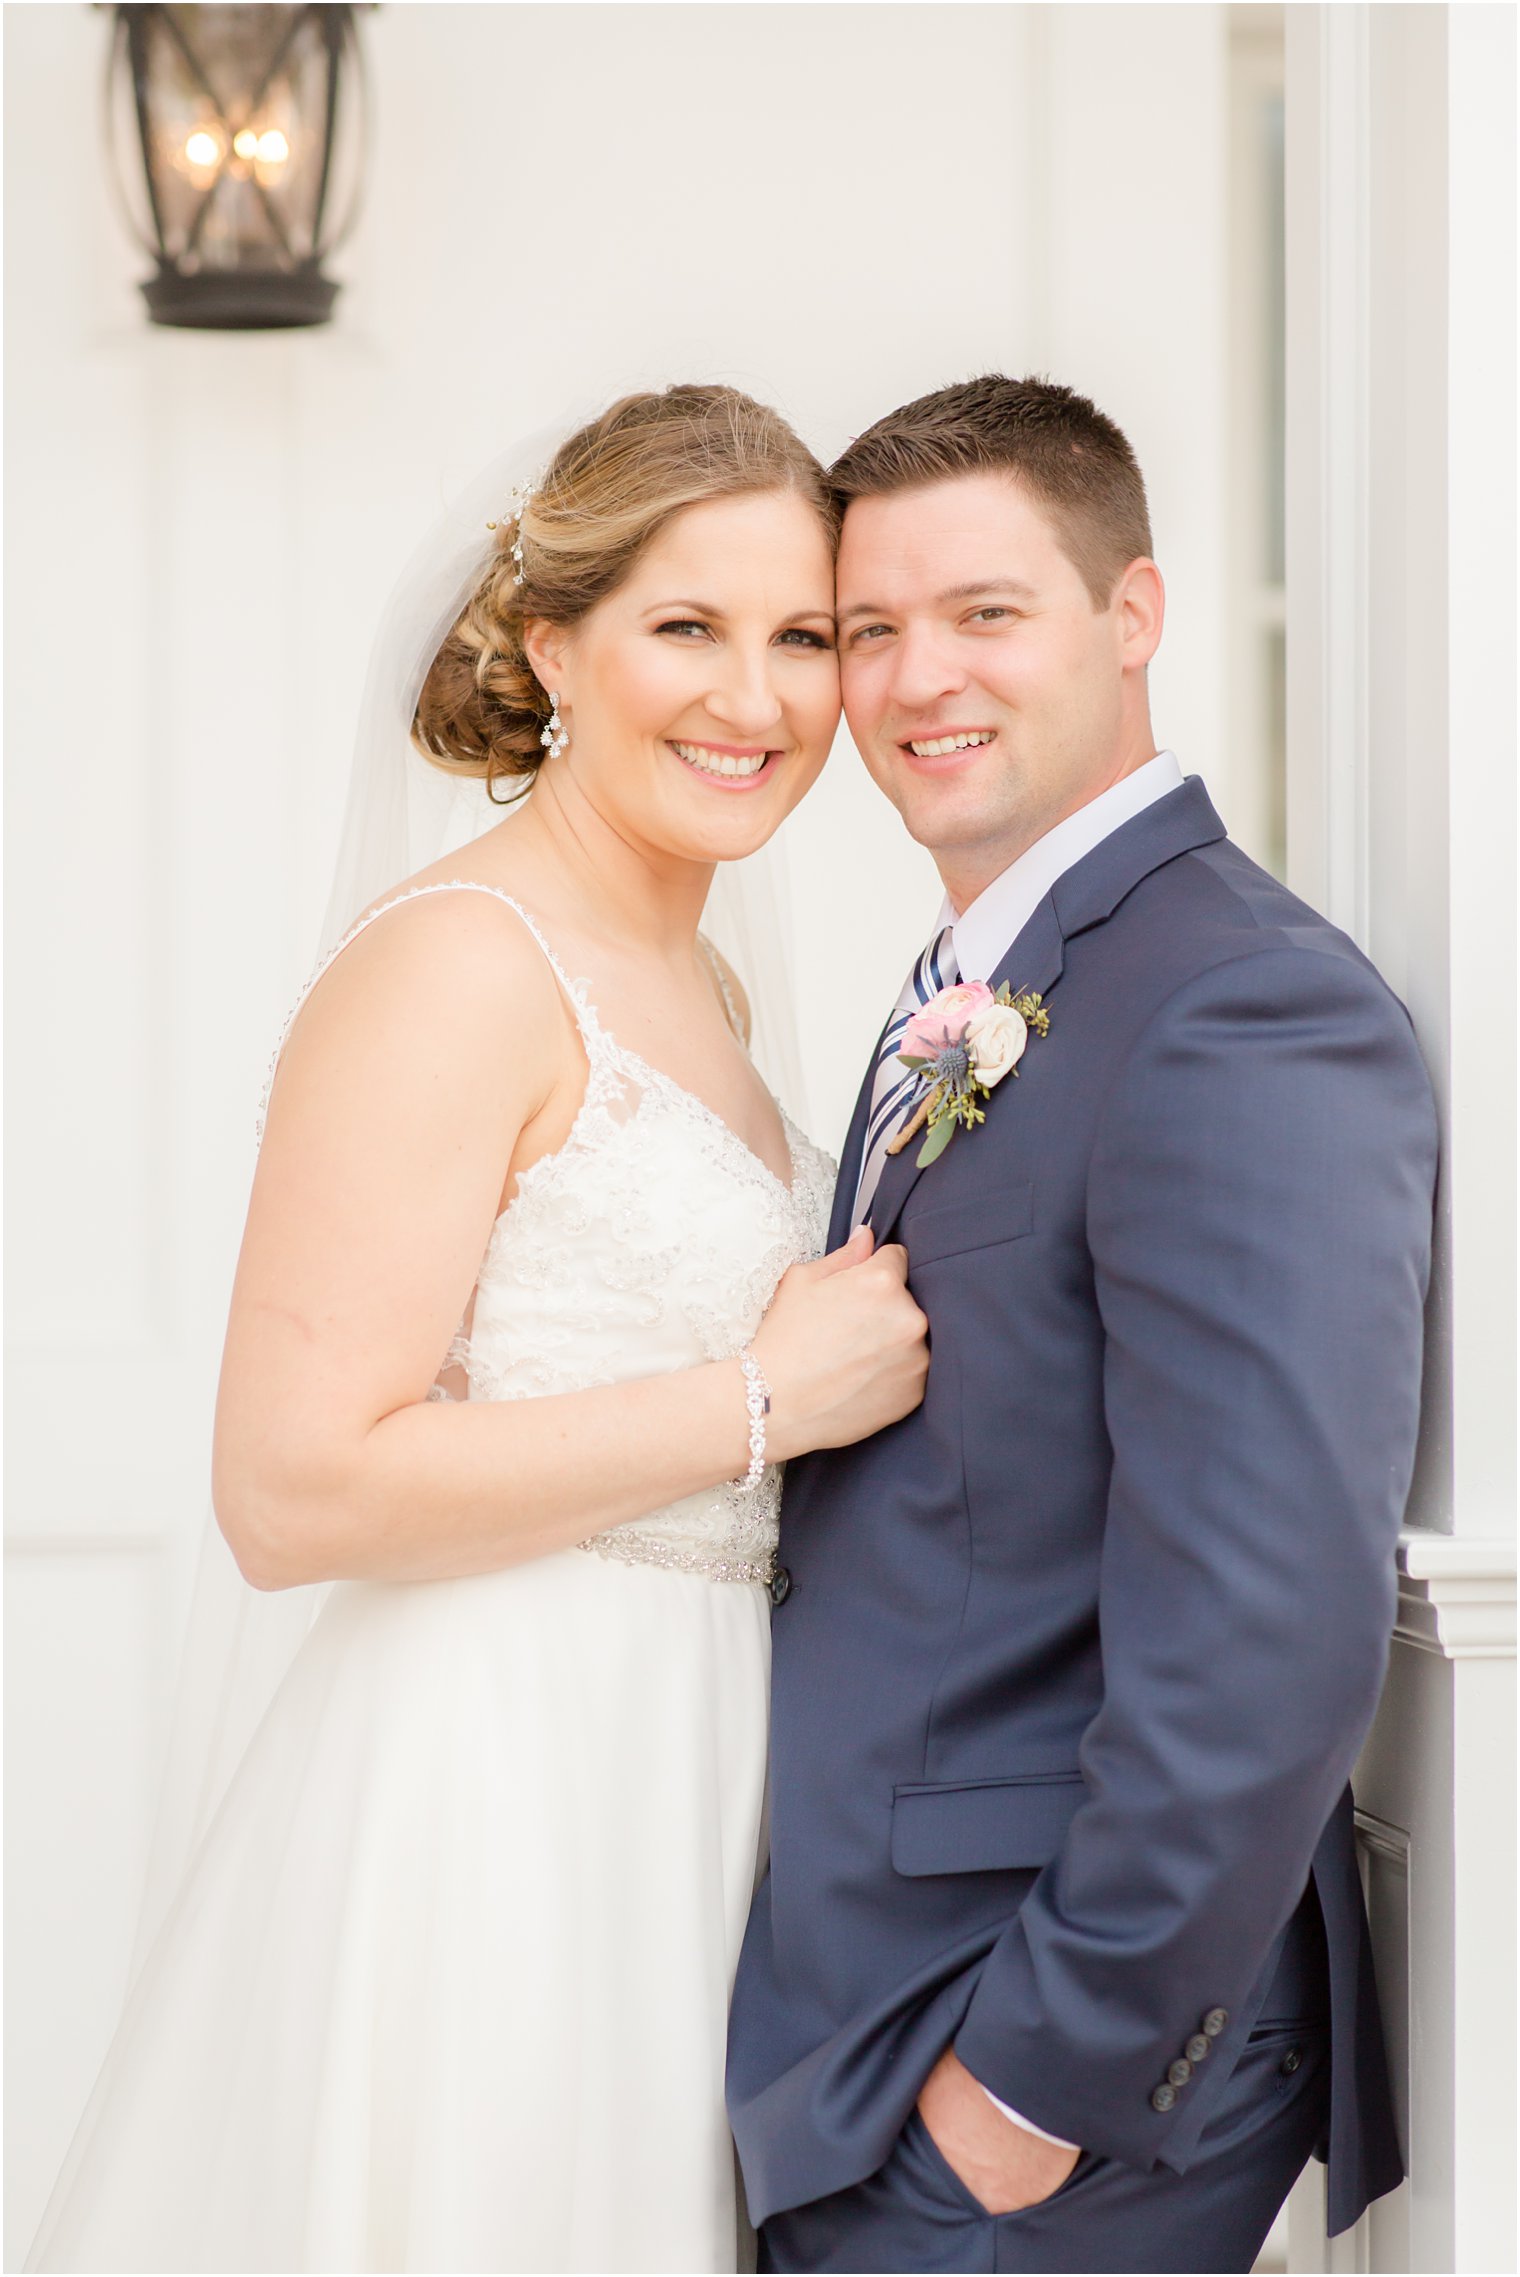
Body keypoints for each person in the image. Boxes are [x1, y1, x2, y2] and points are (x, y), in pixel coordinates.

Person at [27, 384, 929, 2275]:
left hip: (694, 1767)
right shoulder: (457, 964)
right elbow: (291, 1485)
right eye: (686, 627)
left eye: (801, 639)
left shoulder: (700, 976)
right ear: (552, 647)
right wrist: (762, 1395)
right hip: (505, 1786)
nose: (754, 701)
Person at [728, 374, 1439, 2274]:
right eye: (868, 629)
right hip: (872, 2005)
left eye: (985, 613)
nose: (911, 678)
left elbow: (1270, 1617)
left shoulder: (1238, 1007)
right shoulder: (992, 968)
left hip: (1043, 2047)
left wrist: (1034, 2085)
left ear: (1132, 616)